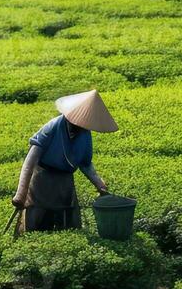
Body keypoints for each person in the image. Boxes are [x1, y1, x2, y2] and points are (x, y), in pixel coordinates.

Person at [11, 90, 117, 233]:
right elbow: (30, 162)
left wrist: (99, 185)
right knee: (38, 222)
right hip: (42, 181)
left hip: (65, 183)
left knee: (67, 224)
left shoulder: (85, 134)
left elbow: (85, 163)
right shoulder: (52, 127)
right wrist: (21, 193)